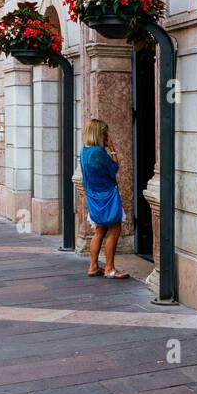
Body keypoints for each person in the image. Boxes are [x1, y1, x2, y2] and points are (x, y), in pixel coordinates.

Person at [80, 119, 127, 279]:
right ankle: (109, 268)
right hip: (107, 197)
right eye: (105, 133)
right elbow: (114, 168)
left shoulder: (84, 151)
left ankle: (93, 266)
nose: (107, 135)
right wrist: (112, 149)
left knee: (99, 231)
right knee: (114, 230)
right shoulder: (98, 153)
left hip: (93, 196)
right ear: (99, 134)